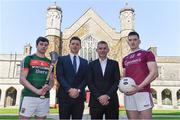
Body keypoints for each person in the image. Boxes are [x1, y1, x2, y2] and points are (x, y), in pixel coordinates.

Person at [122, 31, 158, 119]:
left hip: (143, 92)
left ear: (139, 41)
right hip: (129, 94)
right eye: (130, 40)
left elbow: (154, 73)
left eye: (135, 39)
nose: (132, 42)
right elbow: (124, 78)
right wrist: (122, 87)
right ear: (127, 42)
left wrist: (139, 87)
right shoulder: (125, 59)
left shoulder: (147, 54)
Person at [19, 36, 54, 120]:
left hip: (44, 97)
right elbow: (22, 79)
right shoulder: (28, 59)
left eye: (46, 45)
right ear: (36, 45)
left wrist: (49, 87)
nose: (43, 46)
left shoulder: (50, 62)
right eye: (41, 44)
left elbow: (52, 81)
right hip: (29, 95)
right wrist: (36, 91)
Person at [56, 36, 88, 119]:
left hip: (79, 97)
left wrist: (78, 90)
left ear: (80, 46)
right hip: (64, 96)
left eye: (77, 44)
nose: (75, 46)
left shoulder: (85, 62)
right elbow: (59, 76)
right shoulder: (62, 59)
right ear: (69, 45)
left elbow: (86, 78)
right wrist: (69, 89)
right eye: (73, 44)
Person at [87, 41, 120, 119]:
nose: (102, 50)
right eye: (100, 48)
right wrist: (99, 96)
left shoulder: (114, 64)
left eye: (104, 48)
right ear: (97, 50)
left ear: (108, 50)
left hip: (111, 101)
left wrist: (107, 96)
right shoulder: (91, 64)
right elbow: (90, 82)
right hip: (95, 101)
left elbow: (117, 81)